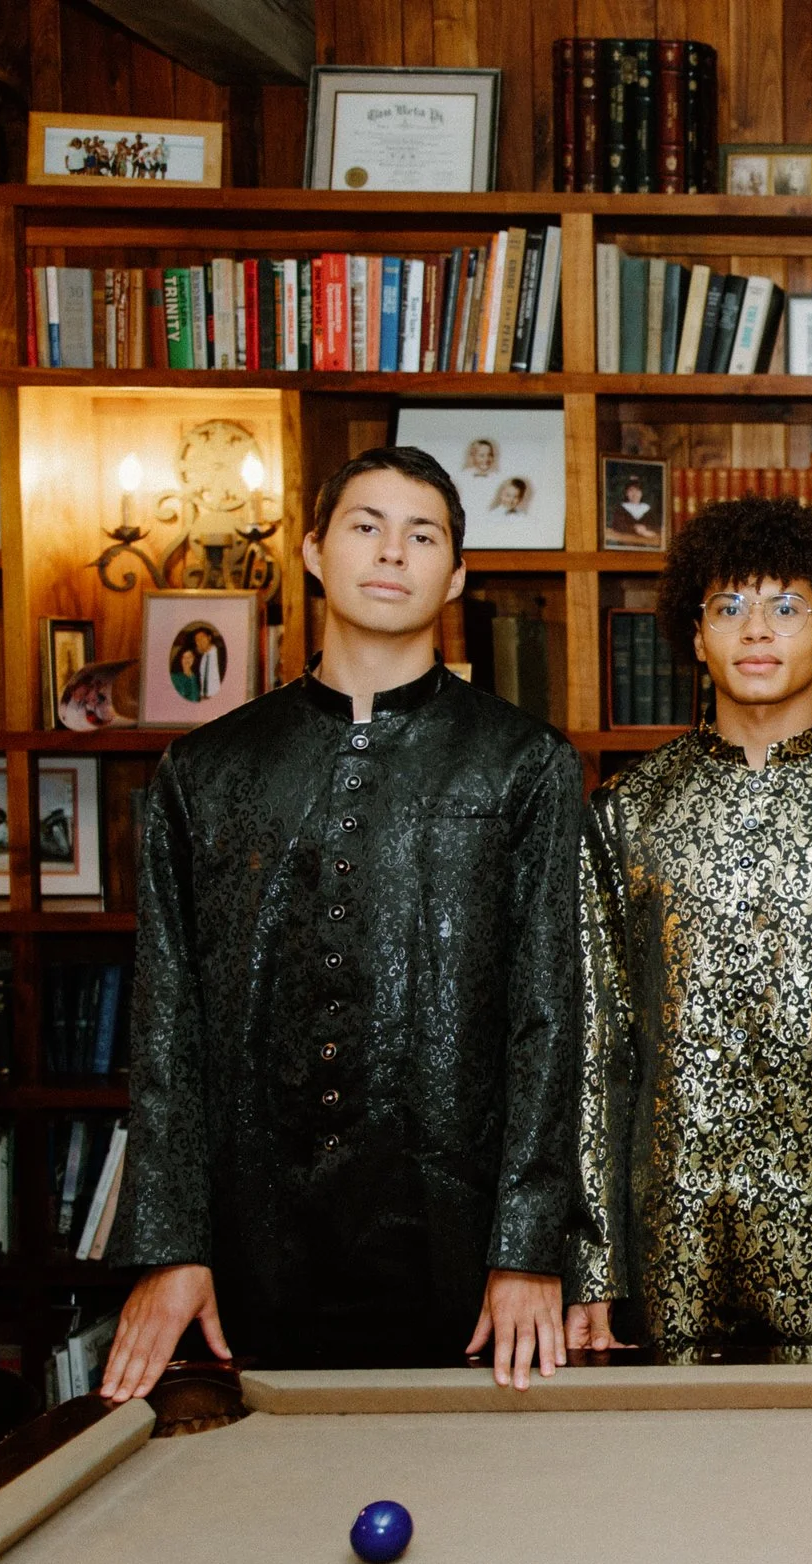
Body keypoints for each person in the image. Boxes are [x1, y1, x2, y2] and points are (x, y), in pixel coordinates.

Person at [100, 445, 582, 1400]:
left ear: (458, 574)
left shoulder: (525, 763)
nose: (392, 552)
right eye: (366, 526)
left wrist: (527, 1243)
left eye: (423, 534)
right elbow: (165, 1025)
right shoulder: (206, 770)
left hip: (459, 1242)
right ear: (315, 552)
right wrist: (171, 1241)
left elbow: (551, 1017)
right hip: (254, 1241)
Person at [568, 495, 812, 1358]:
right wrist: (595, 1264)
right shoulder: (629, 811)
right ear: (695, 636)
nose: (756, 630)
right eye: (729, 607)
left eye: (785, 606)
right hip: (668, 1233)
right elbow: (599, 1045)